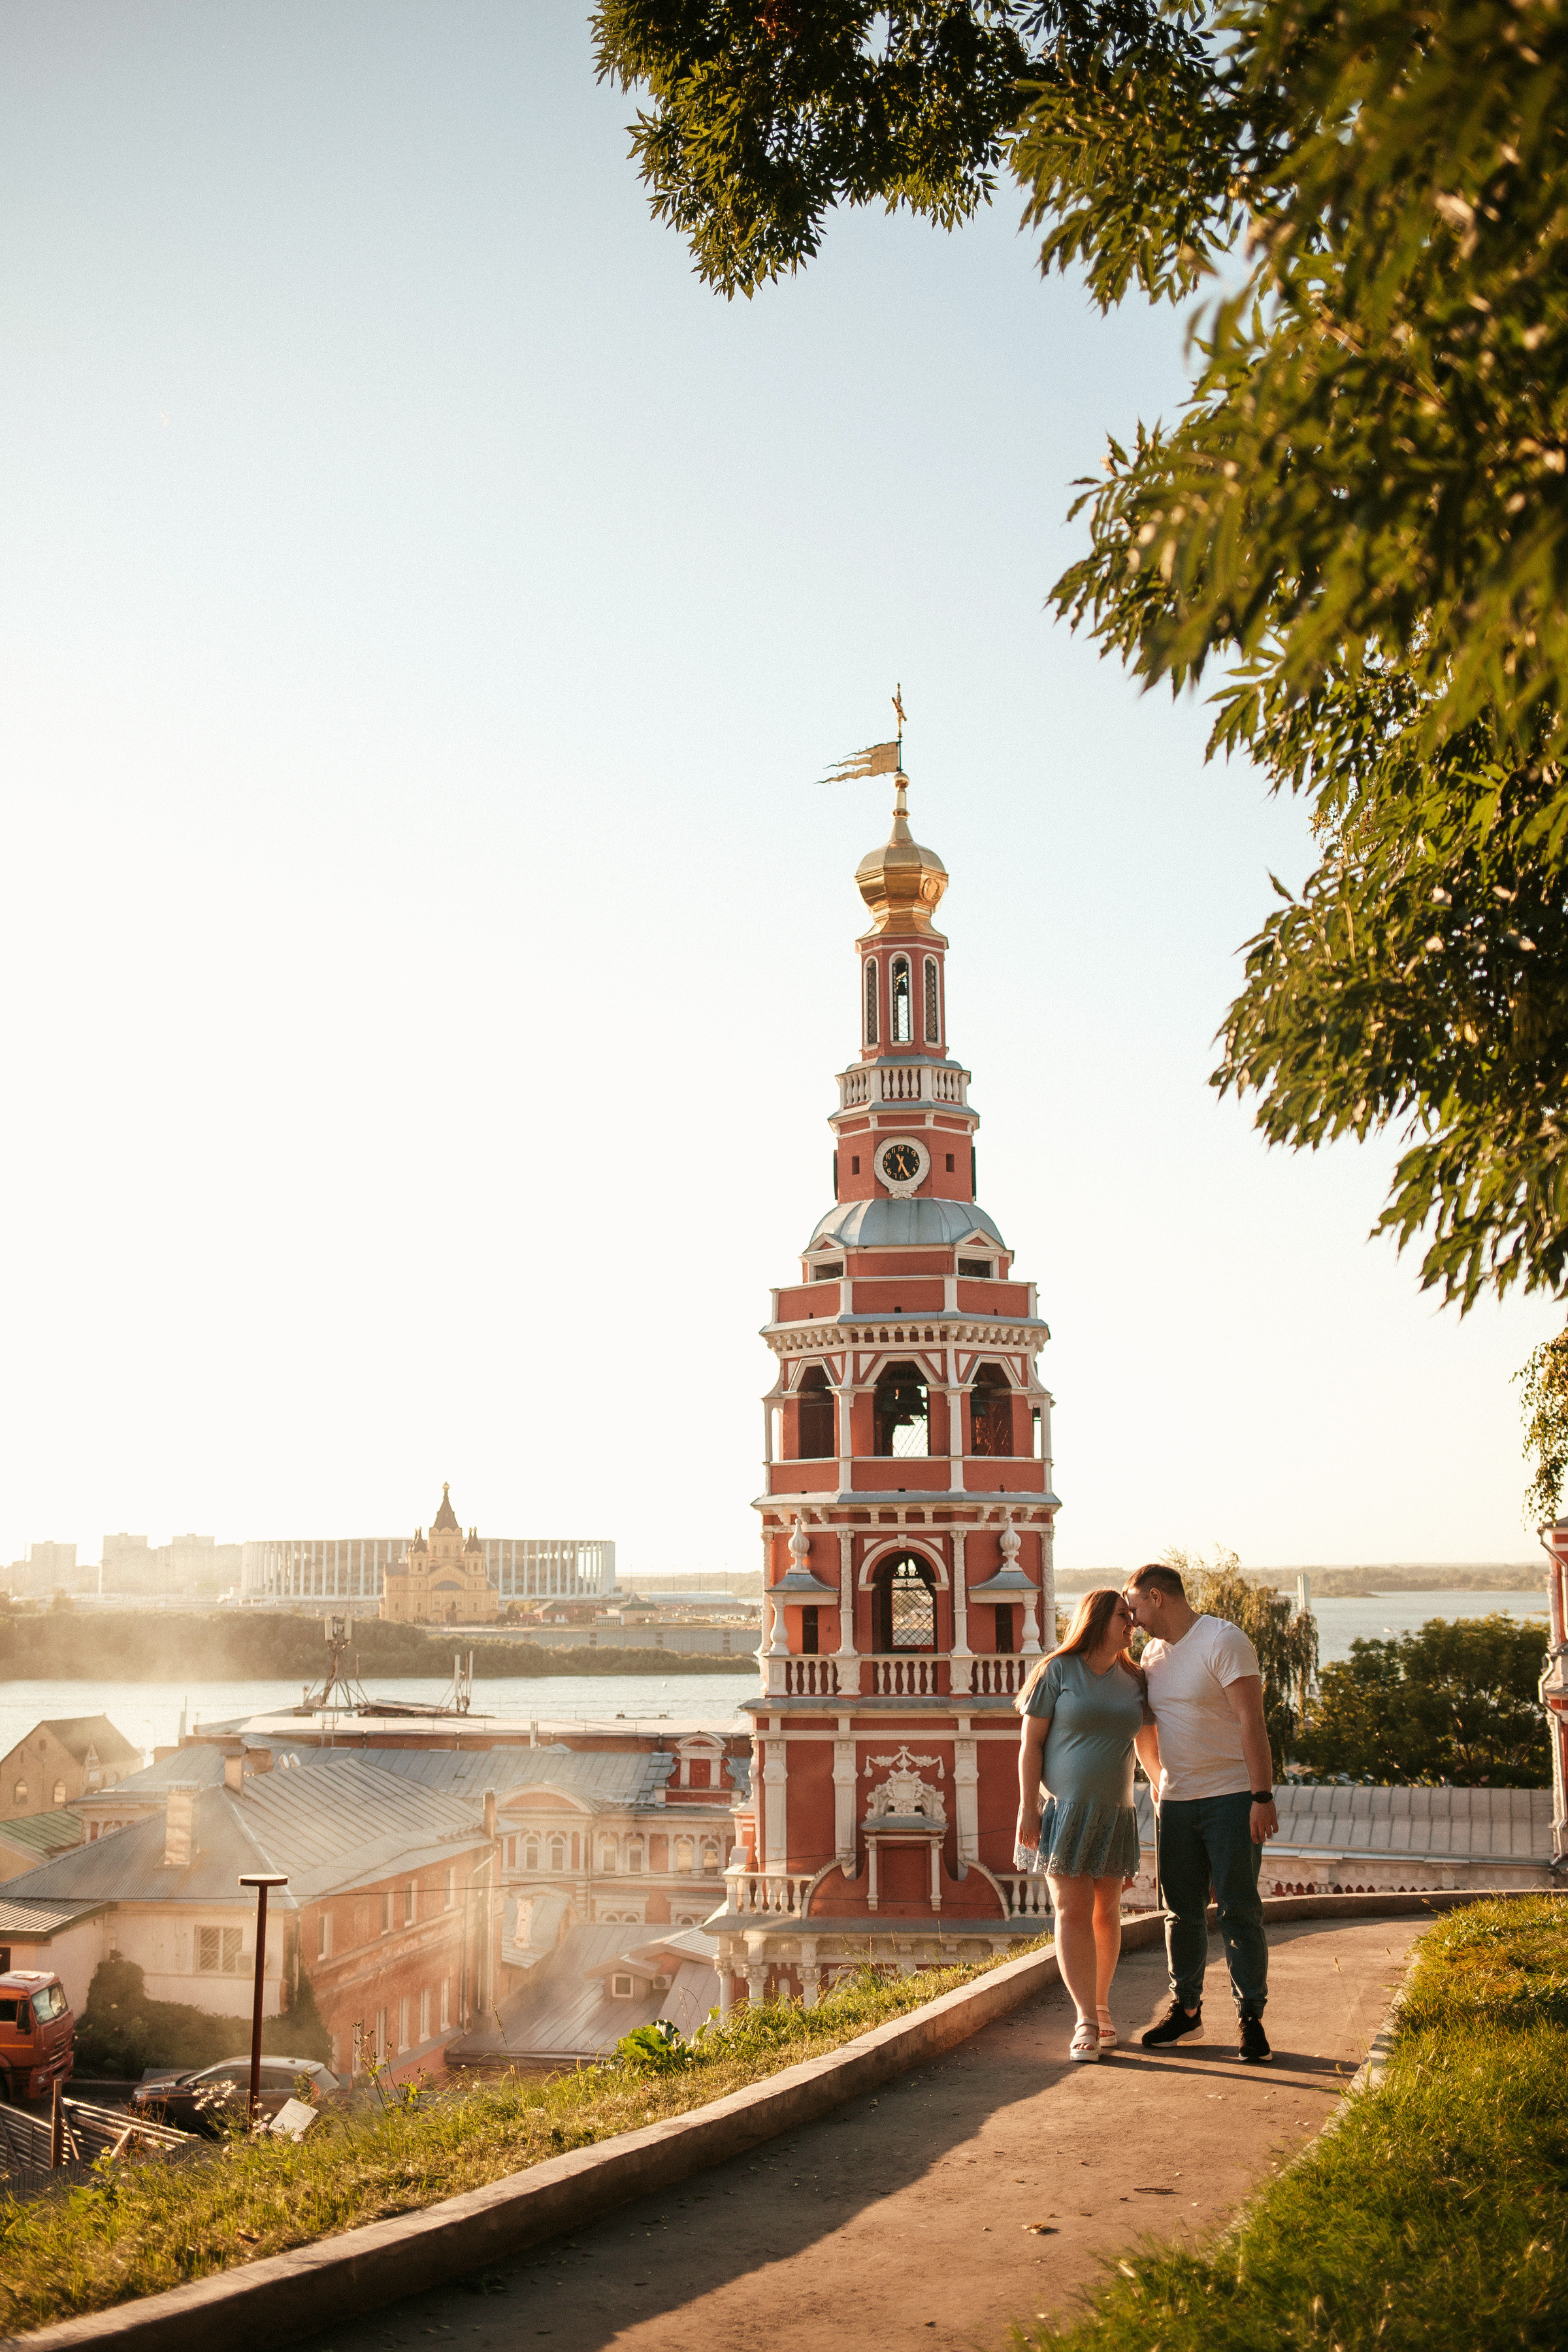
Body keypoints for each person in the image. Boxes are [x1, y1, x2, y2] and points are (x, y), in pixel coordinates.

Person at [1123, 1561, 1279, 2064]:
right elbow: (1149, 1725)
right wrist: (1155, 1782)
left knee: (1238, 1908)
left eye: (1136, 1606)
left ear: (1157, 1596)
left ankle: (1250, 2018)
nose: (1133, 1617)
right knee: (1180, 1912)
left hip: (1232, 1797)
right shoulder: (1152, 1654)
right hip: (1177, 1802)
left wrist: (1262, 1795)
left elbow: (1250, 1719)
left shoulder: (1223, 1640)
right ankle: (1186, 2010)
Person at [1014, 1588, 1149, 2063]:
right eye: (1123, 1617)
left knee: (1106, 1910)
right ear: (1096, 1619)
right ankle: (1085, 2021)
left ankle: (1103, 2007)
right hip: (1064, 1811)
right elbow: (1031, 1745)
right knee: (1071, 1909)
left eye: (1132, 1617)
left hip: (1116, 1813)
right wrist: (1028, 1807)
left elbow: (1151, 1744)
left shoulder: (1136, 1679)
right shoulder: (1057, 1671)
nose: (1132, 1624)